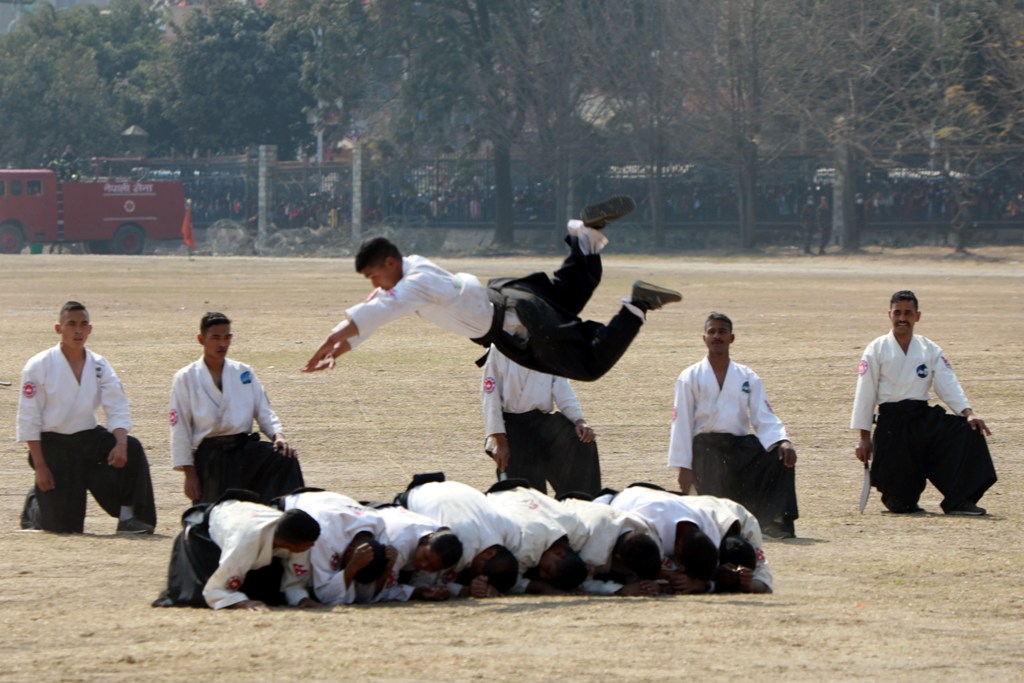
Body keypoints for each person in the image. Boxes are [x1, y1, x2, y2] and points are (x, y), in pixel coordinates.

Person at [302, 196, 682, 383]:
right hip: (510, 295)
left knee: (589, 364)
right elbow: (374, 306)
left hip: (516, 323)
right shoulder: (414, 264)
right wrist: (341, 348)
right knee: (569, 292)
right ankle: (585, 235)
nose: (374, 284)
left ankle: (638, 304)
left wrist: (326, 346)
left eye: (373, 275)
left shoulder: (414, 286)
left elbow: (371, 314)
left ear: (388, 263)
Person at [851, 290, 997, 515]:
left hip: (922, 417)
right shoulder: (876, 349)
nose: (902, 318)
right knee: (902, 504)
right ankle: (899, 496)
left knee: (968, 431)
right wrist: (864, 438)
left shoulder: (929, 349)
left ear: (917, 316)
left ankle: (960, 500)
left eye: (908, 313)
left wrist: (969, 412)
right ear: (889, 314)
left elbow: (947, 383)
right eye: (897, 312)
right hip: (893, 424)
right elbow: (865, 394)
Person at [17, 301, 156, 534]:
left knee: (132, 447)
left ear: (90, 329)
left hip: (88, 437)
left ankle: (129, 518)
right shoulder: (38, 366)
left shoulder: (99, 365)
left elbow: (117, 405)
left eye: (83, 325)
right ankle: (35, 504)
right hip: (53, 443)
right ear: (58, 328)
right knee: (65, 528)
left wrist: (120, 444)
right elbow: (29, 418)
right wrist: (40, 465)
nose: (78, 331)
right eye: (71, 324)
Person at [668, 312, 798, 539]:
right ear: (704, 338)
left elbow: (764, 416)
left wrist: (783, 441)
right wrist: (683, 467)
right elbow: (682, 424)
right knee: (718, 517)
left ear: (732, 338)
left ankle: (774, 522)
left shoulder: (747, 376)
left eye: (722, 331)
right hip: (705, 448)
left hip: (738, 446)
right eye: (712, 331)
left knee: (780, 455)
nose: (717, 336)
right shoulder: (689, 377)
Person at [170, 312, 304, 505]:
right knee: (212, 515)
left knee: (284, 457)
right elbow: (179, 426)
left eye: (227, 337)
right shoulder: (185, 377)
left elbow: (263, 409)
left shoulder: (243, 372)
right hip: (211, 455)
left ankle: (285, 518)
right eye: (216, 338)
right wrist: (189, 473)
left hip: (244, 450)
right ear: (201, 339)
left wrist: (278, 435)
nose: (222, 344)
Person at [153, 492, 322, 611]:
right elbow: (216, 588)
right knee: (197, 597)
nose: (312, 547)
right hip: (206, 534)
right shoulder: (245, 541)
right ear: (288, 542)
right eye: (308, 544)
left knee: (270, 596)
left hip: (242, 516)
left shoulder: (296, 537)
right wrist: (241, 603)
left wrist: (301, 598)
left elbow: (295, 578)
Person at [481, 345, 600, 496]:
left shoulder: (548, 346)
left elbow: (563, 388)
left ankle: (579, 502)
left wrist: (579, 420)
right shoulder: (498, 349)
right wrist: (500, 440)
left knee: (581, 440)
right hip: (511, 429)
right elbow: (490, 397)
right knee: (528, 496)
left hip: (543, 423)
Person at [398, 475, 521, 598]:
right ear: (490, 553)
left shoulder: (511, 529)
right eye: (475, 569)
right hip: (410, 501)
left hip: (446, 489)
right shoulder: (464, 546)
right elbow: (423, 582)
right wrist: (466, 590)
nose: (472, 570)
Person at [601, 484, 721, 594]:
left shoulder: (707, 525)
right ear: (678, 550)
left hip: (658, 496)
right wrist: (664, 577)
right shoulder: (650, 525)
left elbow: (710, 565)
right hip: (615, 502)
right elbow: (641, 561)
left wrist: (701, 584)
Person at [278, 490, 391, 606]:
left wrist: (389, 567)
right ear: (349, 552)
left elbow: (364, 595)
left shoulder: (381, 531)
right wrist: (351, 568)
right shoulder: (326, 536)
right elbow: (325, 596)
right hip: (292, 508)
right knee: (301, 568)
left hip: (329, 501)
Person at [484, 482, 589, 594]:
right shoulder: (529, 545)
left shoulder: (577, 528)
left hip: (520, 488)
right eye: (547, 570)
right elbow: (510, 580)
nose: (541, 574)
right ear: (559, 553)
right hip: (496, 496)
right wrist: (540, 586)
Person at [558, 494, 662, 596]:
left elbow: (660, 566)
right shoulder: (593, 548)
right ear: (618, 558)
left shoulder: (648, 532)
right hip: (562, 514)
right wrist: (619, 589)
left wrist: (654, 584)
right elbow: (581, 582)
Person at [374, 504, 464, 602]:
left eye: (432, 568)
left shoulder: (437, 535)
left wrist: (423, 591)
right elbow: (381, 593)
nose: (423, 564)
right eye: (425, 557)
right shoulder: (398, 547)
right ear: (426, 539)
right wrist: (416, 593)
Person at [687, 495, 773, 593]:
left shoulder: (748, 526)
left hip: (723, 508)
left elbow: (764, 577)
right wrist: (712, 577)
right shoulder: (699, 531)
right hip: (686, 505)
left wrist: (749, 585)